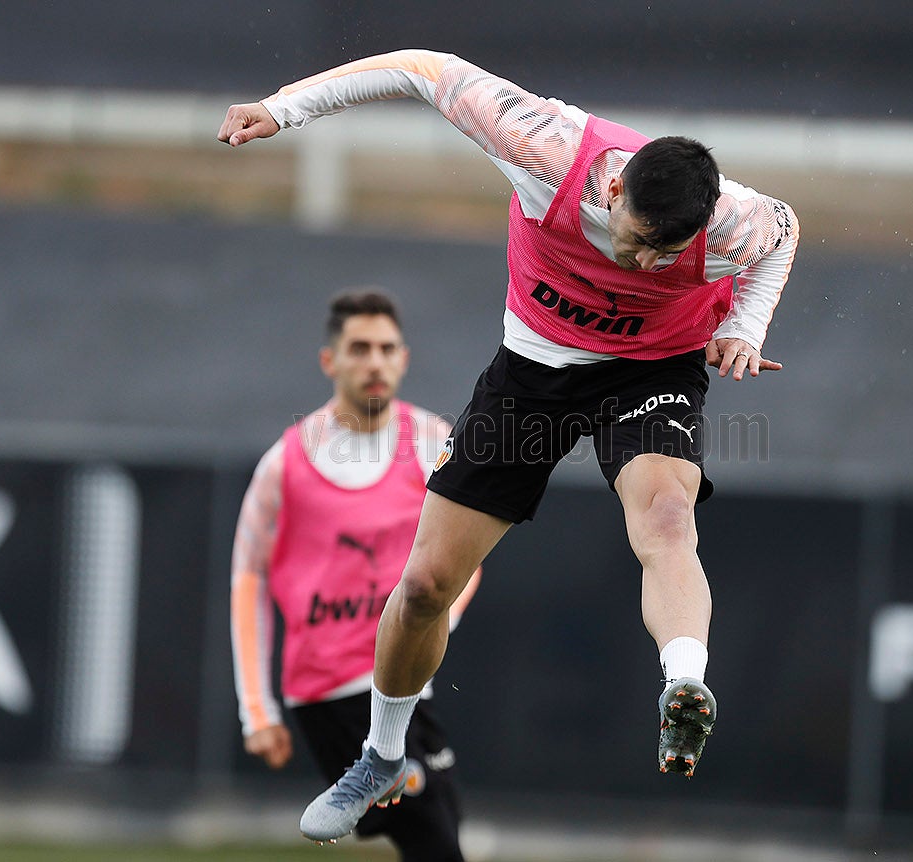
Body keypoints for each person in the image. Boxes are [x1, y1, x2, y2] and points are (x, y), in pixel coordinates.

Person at [218, 49, 799, 844]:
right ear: (617, 186)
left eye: (669, 252)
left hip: (653, 371)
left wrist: (742, 328)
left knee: (665, 517)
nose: (647, 263)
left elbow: (785, 232)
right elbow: (420, 68)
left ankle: (684, 689)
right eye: (638, 241)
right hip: (535, 372)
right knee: (423, 584)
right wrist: (284, 109)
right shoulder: (544, 147)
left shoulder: (733, 220)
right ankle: (382, 755)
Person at [230, 289, 480, 860]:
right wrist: (257, 708)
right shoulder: (286, 463)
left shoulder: (434, 443)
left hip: (407, 682)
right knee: (434, 841)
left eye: (387, 348)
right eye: (360, 348)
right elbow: (247, 578)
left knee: (445, 823)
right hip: (330, 691)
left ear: (404, 359)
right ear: (330, 361)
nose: (375, 361)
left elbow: (467, 565)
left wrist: (423, 635)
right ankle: (393, 774)